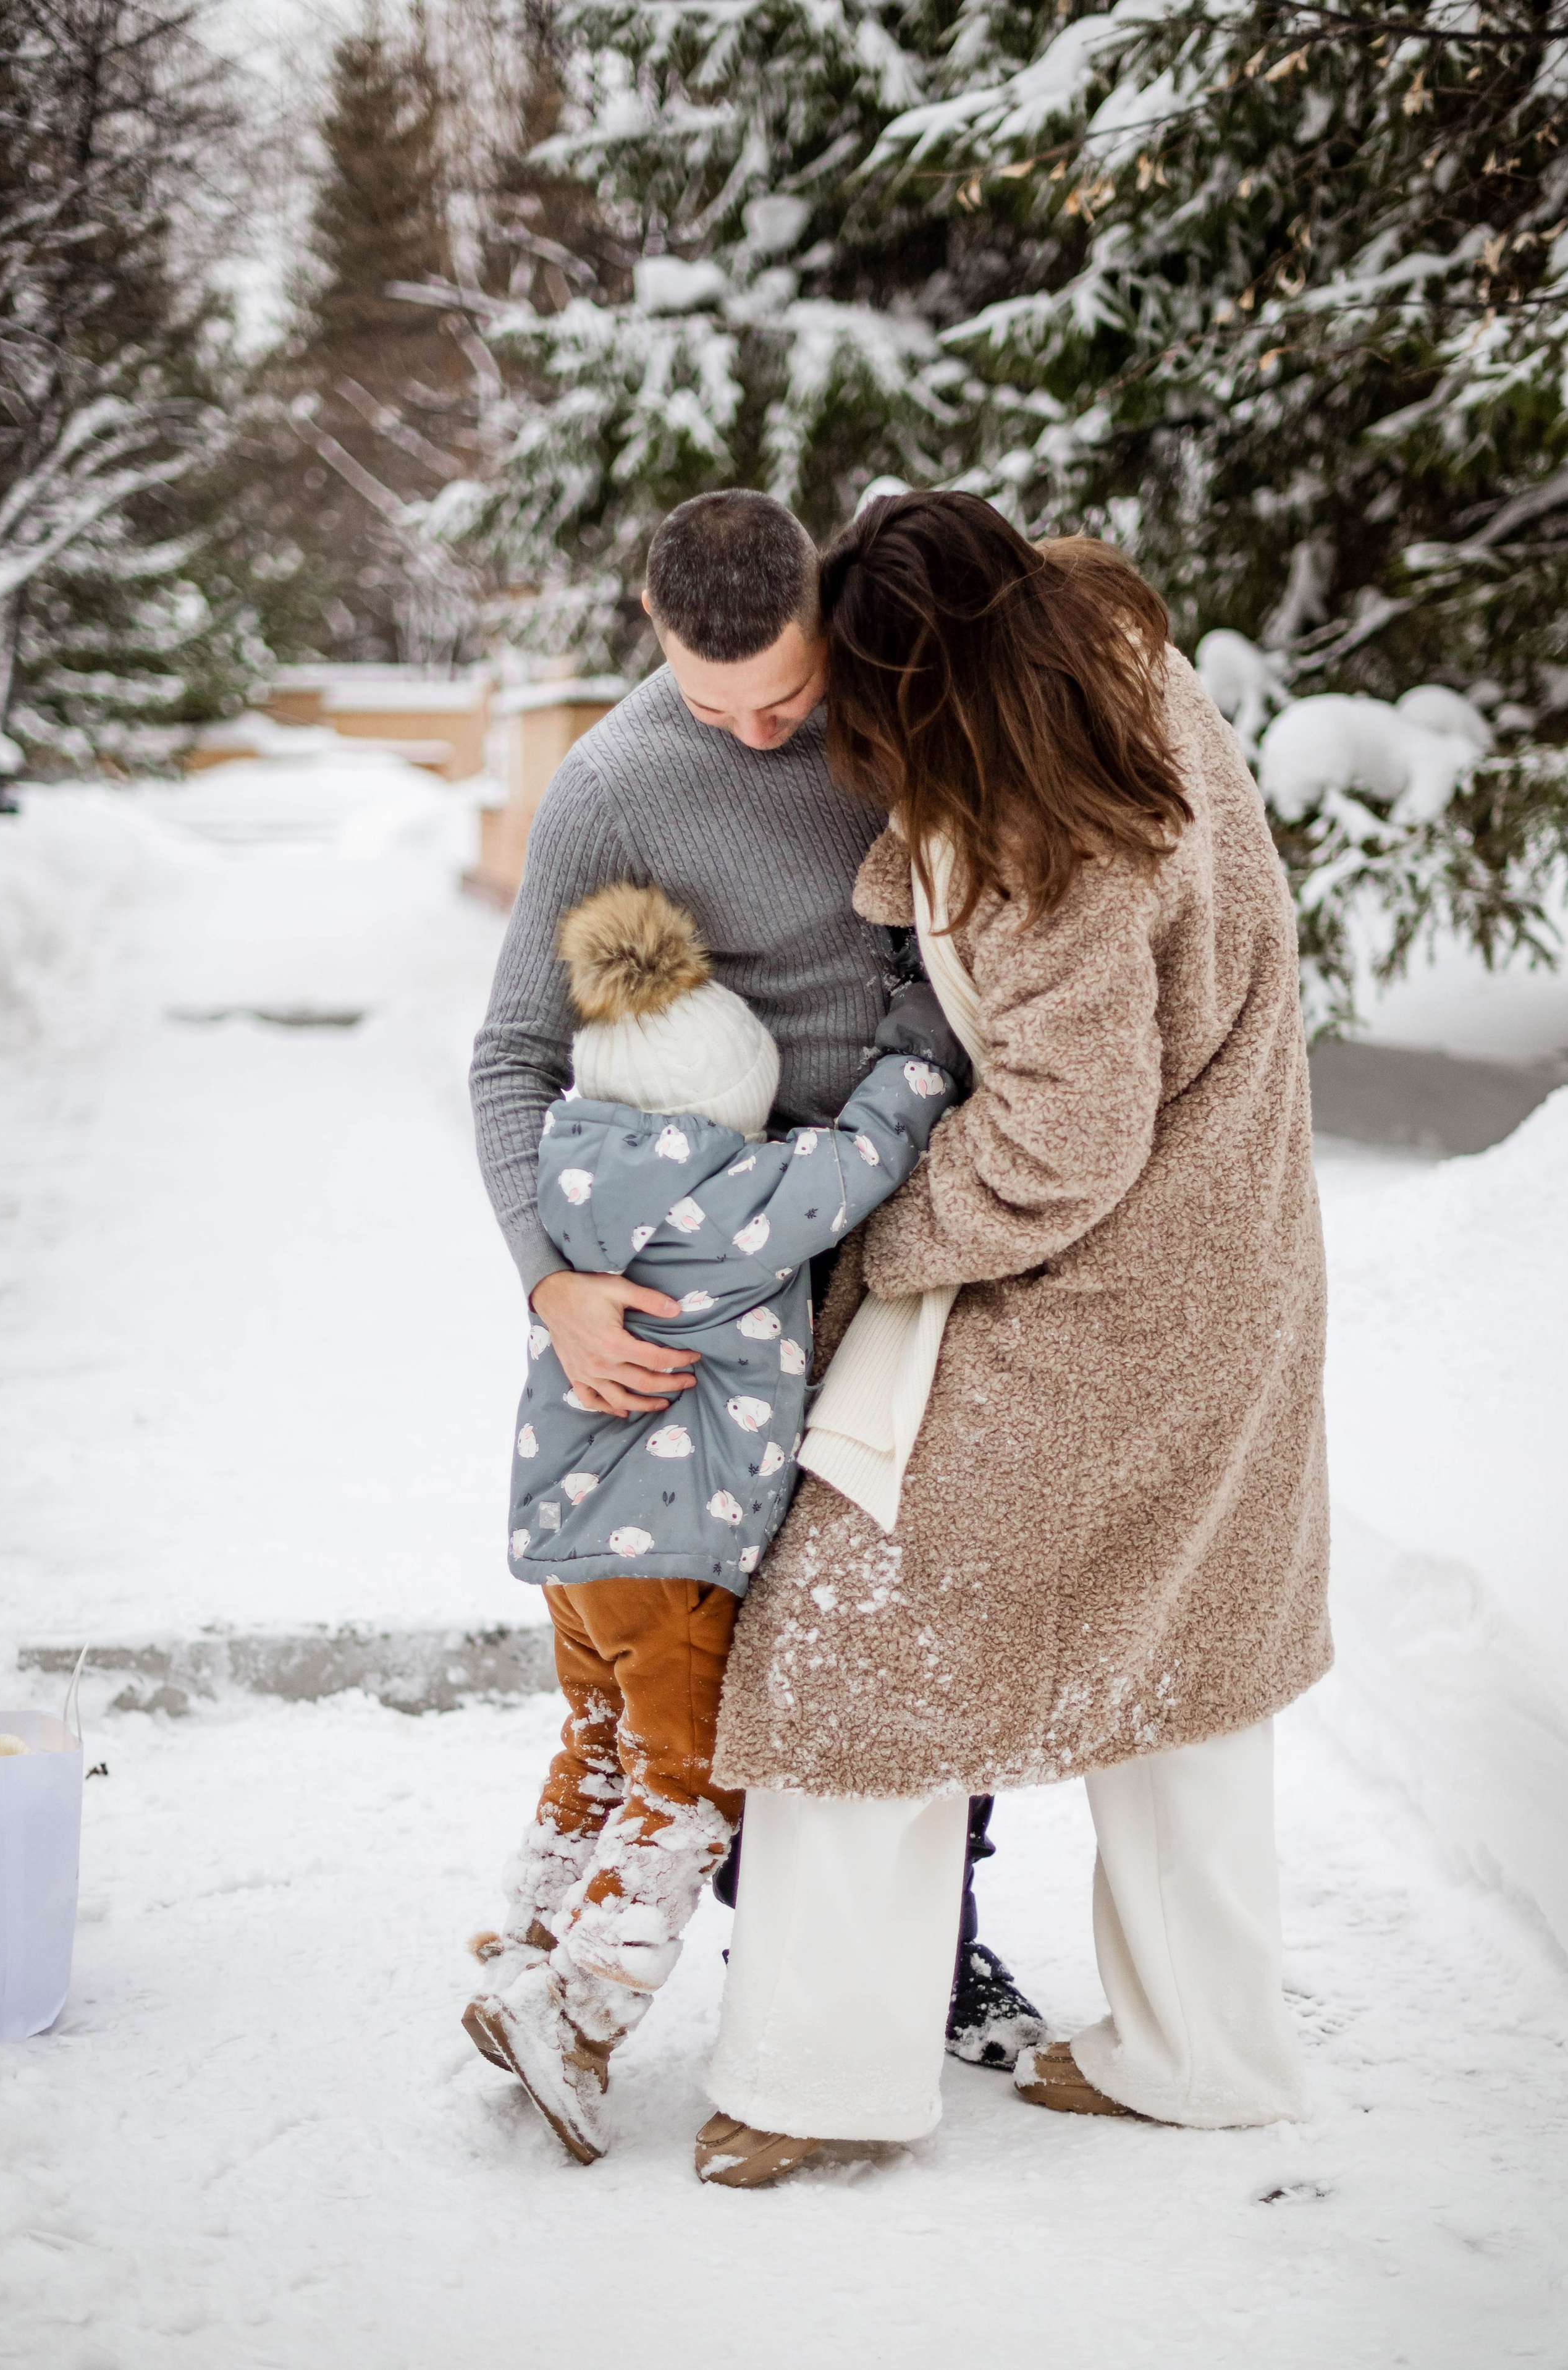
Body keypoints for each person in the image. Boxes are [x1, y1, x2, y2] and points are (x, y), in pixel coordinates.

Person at [698, 492, 1330, 2185]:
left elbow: (1057, 1139)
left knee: (852, 1629)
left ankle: (818, 2079)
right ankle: (1205, 2051)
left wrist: (864, 1244)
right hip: (1232, 1258)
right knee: (1187, 1663)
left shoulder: (1048, 830)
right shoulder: (1102, 669)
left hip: (1109, 1284)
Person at [469, 488, 1044, 2065]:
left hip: (949, 1213)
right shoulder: (614, 782)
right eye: (715, 701)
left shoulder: (904, 700)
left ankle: (941, 1950)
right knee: (764, 1631)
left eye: (784, 695)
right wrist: (551, 1284)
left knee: (924, 1596)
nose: (758, 727)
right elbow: (514, 1057)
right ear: (658, 640)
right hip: (758, 1247)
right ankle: (773, 1960)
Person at [462, 880, 964, 2161]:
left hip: (579, 1562)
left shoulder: (566, 1171)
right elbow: (859, 1157)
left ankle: (522, 1938)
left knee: (595, 1743)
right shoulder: (723, 1196)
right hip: (674, 1555)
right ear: (713, 1108)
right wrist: (920, 1033)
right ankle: (573, 2015)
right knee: (684, 1784)